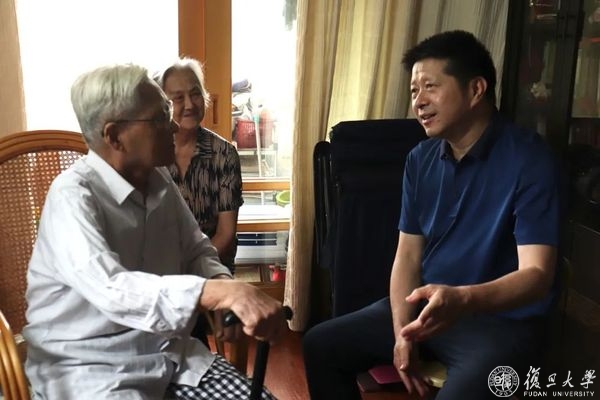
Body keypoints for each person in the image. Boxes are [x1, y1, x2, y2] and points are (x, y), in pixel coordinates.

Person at [303, 30, 563, 400]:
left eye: (430, 87)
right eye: (414, 91)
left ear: (476, 90)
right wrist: (401, 333)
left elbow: (537, 276)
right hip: (426, 310)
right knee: (321, 344)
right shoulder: (420, 159)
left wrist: (463, 298)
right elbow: (407, 256)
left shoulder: (529, 160)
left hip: (500, 323)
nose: (419, 102)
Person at [23, 63, 286, 400]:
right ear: (114, 136)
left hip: (166, 352)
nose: (173, 125)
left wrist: (222, 283)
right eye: (160, 117)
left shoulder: (157, 177)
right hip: (90, 367)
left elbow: (196, 249)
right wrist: (218, 293)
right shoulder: (72, 196)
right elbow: (112, 288)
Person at [154, 57, 243, 274]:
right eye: (178, 98)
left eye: (195, 94)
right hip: (160, 272)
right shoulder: (151, 155)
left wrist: (190, 272)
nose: (189, 105)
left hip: (211, 266)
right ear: (162, 106)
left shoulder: (224, 154)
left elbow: (225, 233)